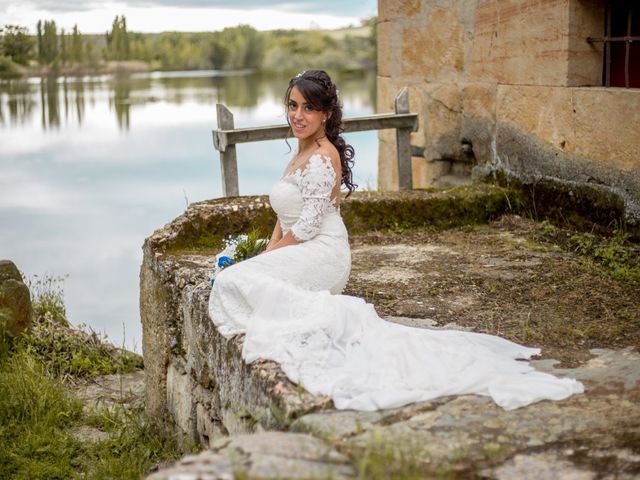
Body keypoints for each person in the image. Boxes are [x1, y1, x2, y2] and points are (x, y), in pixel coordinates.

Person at [208, 70, 584, 411]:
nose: (298, 115)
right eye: (292, 106)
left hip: (321, 252)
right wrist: (265, 252)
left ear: (326, 114)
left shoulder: (323, 157)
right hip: (299, 246)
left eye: (308, 107)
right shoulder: (300, 153)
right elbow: (283, 216)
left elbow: (306, 227)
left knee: (235, 281)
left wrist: (266, 257)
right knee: (243, 280)